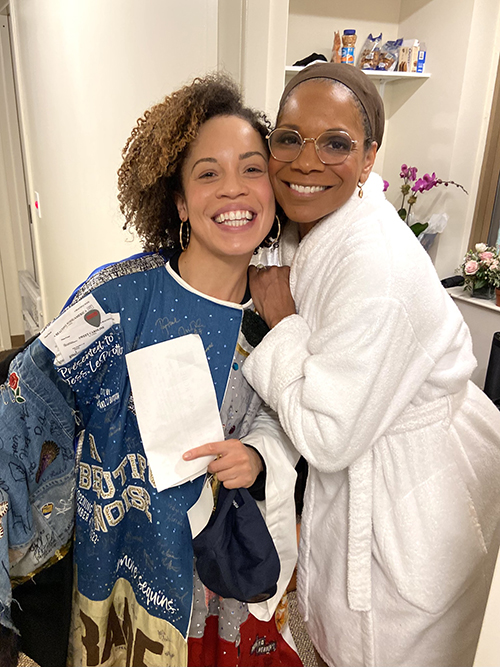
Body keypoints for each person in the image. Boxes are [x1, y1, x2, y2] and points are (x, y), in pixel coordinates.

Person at [0, 74, 301, 667]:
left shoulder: (280, 308)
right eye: (208, 173)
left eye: (251, 168)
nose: (233, 190)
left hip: (220, 578)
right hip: (116, 564)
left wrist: (259, 455)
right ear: (181, 201)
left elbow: (296, 418)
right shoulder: (118, 298)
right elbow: (22, 407)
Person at [242, 62, 500, 667]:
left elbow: (329, 437)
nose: (307, 162)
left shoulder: (374, 267)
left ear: (369, 158)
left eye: (336, 144)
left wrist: (284, 324)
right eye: (289, 138)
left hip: (414, 489)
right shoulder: (316, 227)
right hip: (381, 464)